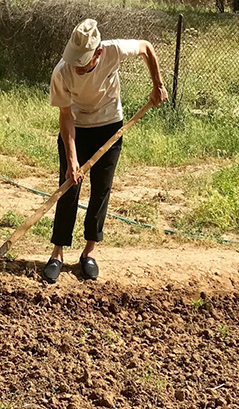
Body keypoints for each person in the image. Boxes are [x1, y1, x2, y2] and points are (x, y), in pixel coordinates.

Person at [42, 18, 168, 284]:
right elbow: (65, 117)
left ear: (98, 52)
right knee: (68, 187)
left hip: (110, 126)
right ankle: (57, 253)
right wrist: (72, 160)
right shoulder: (61, 72)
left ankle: (89, 253)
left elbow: (146, 47)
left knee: (101, 189)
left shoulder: (113, 50)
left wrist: (157, 84)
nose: (77, 65)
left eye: (83, 60)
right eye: (74, 59)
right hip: (76, 127)